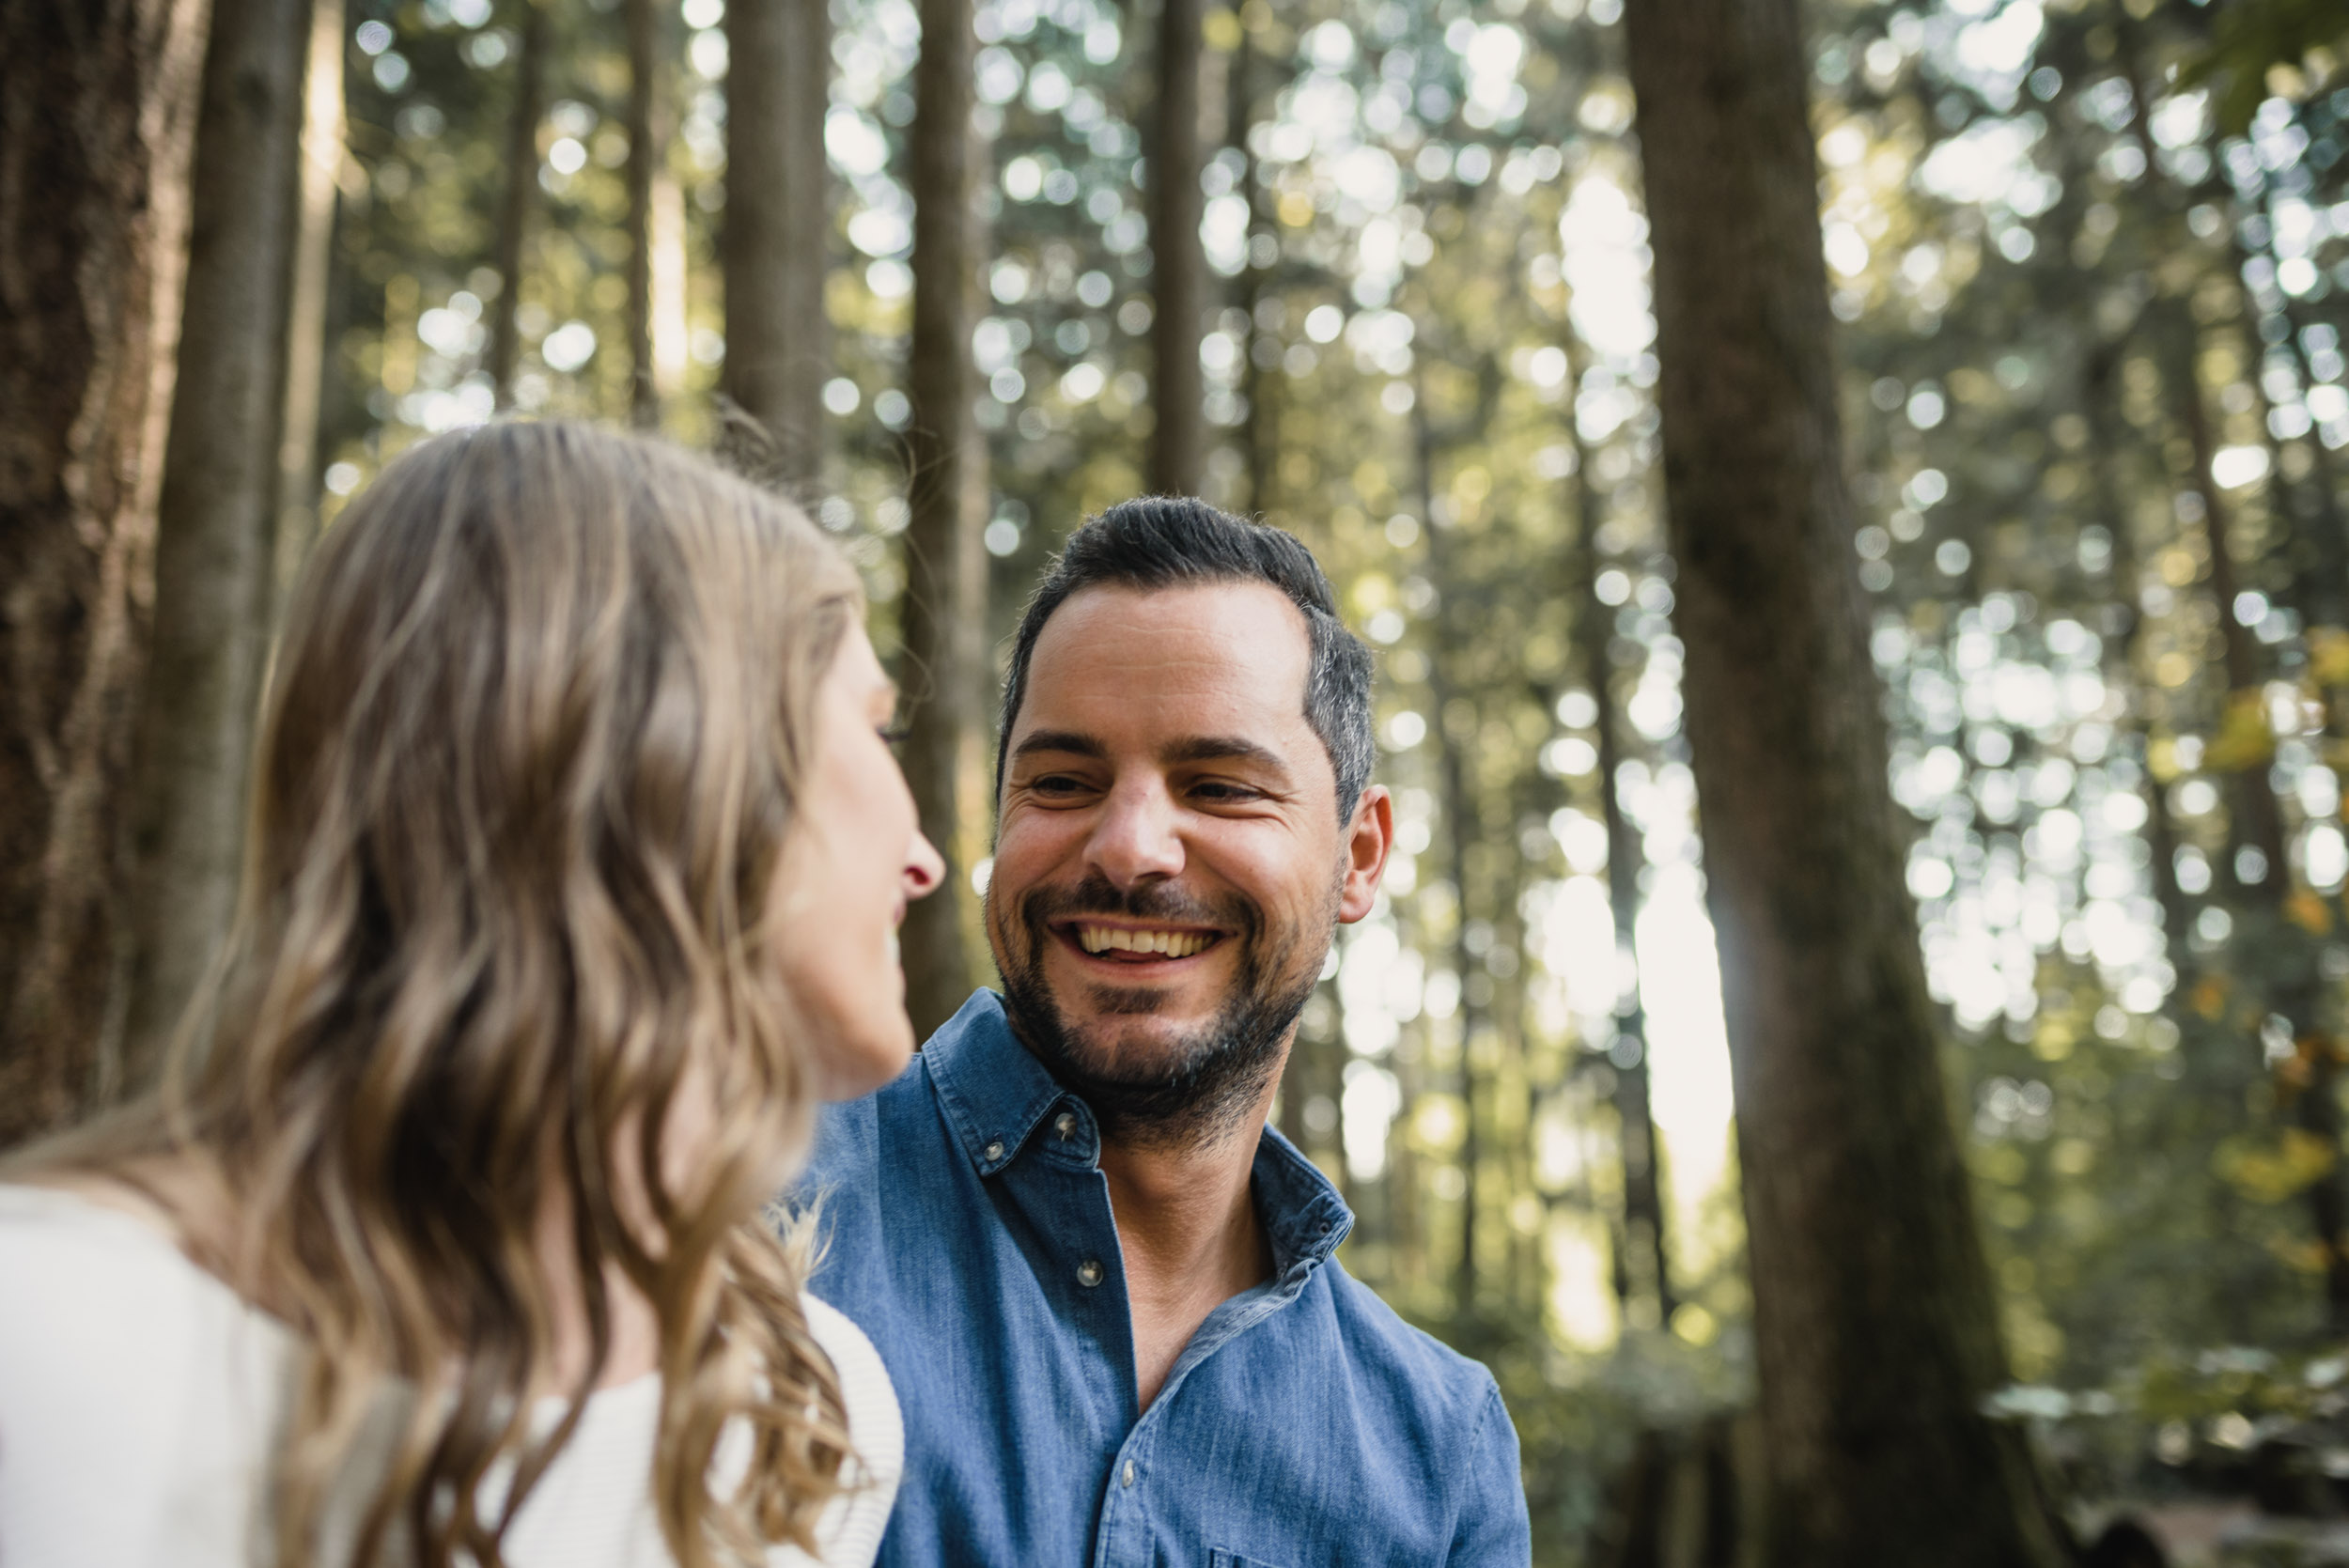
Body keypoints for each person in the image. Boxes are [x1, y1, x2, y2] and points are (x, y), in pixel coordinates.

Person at [0, 422, 944, 1568]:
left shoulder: (807, 1415)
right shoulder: (52, 1342)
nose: (925, 859)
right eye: (874, 725)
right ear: (665, 762)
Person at [802, 498, 1532, 1563]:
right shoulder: (736, 1216)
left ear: (1360, 855)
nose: (1130, 847)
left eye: (1221, 787)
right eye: (1061, 782)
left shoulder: (1437, 1453)